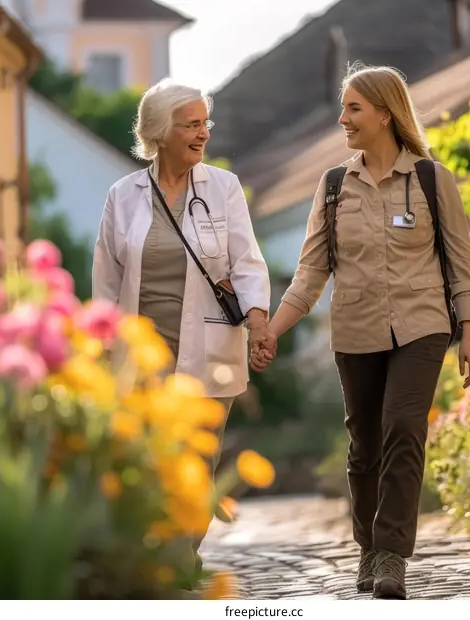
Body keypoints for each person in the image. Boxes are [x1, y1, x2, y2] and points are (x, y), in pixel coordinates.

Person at [251, 64, 470, 600]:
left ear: (384, 112)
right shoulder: (333, 187)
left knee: (404, 426)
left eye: (353, 108)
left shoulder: (430, 178)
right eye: (344, 108)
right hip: (355, 330)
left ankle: (392, 555)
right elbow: (310, 273)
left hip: (422, 324)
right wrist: (272, 331)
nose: (343, 119)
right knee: (365, 445)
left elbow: (460, 261)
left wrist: (468, 330)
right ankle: (368, 546)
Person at [92, 79, 275, 583]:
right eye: (191, 125)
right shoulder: (123, 195)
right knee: (150, 459)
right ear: (159, 132)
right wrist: (103, 350)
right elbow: (106, 282)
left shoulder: (224, 188)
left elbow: (247, 263)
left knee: (198, 458)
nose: (203, 134)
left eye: (205, 124)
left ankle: (180, 554)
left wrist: (259, 321)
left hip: (210, 346)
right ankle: (162, 558)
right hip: (143, 355)